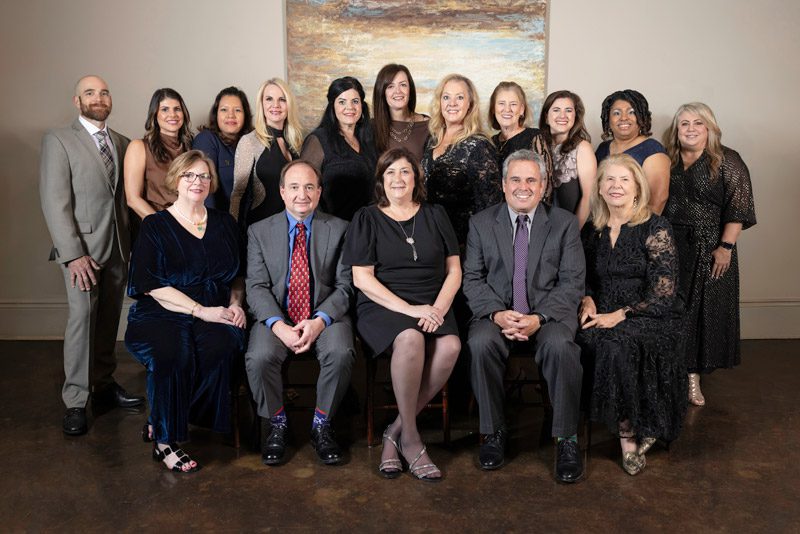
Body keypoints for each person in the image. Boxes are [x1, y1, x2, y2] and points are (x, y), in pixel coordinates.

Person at [463, 149, 585, 483]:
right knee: (479, 344)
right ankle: (493, 432)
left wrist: (539, 318)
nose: (523, 186)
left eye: (531, 179)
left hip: (548, 316)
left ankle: (566, 438)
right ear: (503, 185)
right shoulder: (482, 223)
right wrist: (498, 314)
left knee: (562, 347)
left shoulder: (563, 223)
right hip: (497, 315)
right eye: (515, 179)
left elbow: (573, 281)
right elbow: (472, 278)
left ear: (544, 186)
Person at [343, 148, 461, 481]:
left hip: (433, 301)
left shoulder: (436, 214)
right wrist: (410, 310)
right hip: (383, 304)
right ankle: (411, 438)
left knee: (451, 346)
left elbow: (454, 270)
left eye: (405, 172)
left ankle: (393, 431)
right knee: (410, 339)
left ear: (416, 178)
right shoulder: (366, 218)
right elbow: (361, 278)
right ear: (381, 180)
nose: (398, 179)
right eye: (390, 172)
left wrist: (438, 308)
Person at [125, 150, 246, 473]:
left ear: (212, 183)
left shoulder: (224, 223)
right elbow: (149, 283)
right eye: (189, 175)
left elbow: (238, 275)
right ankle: (165, 440)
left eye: (204, 176)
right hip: (162, 309)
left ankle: (162, 417)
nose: (197, 182)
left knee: (222, 348)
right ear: (176, 180)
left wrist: (235, 305)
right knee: (172, 356)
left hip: (216, 305)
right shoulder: (155, 225)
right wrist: (199, 310)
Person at [40, 74, 144, 436]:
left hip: (118, 248)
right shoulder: (59, 140)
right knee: (83, 319)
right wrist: (72, 255)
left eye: (103, 92)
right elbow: (55, 201)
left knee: (109, 318)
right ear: (76, 100)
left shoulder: (122, 142)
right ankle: (75, 400)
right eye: (89, 93)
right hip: (82, 252)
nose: (98, 98)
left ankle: (102, 383)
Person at [577, 154, 686, 476]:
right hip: (602, 310)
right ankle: (627, 423)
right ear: (599, 188)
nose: (616, 186)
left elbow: (664, 292)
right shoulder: (592, 230)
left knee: (615, 345)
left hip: (650, 313)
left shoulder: (655, 226)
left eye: (624, 179)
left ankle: (629, 436)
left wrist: (622, 314)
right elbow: (582, 276)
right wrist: (586, 299)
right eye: (609, 179)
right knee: (582, 339)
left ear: (637, 187)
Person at [245, 160, 355, 466]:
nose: (301, 194)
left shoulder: (341, 229)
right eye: (294, 187)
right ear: (281, 192)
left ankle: (322, 424)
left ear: (319, 192)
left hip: (324, 315)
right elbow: (255, 287)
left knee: (341, 352)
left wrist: (320, 322)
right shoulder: (258, 231)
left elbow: (346, 286)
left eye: (309, 187)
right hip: (277, 316)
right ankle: (277, 423)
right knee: (259, 357)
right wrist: (278, 325)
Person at [662, 103, 756, 406]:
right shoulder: (667, 160)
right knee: (673, 309)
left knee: (702, 313)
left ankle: (693, 378)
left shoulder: (727, 160)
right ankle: (670, 372)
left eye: (697, 123)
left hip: (710, 247)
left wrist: (725, 248)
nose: (690, 129)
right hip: (671, 244)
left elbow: (737, 208)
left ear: (709, 128)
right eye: (684, 123)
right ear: (676, 129)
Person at [421, 74, 501, 247]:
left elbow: (490, 208)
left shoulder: (479, 146)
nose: (452, 103)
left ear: (470, 104)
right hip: (431, 242)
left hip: (464, 246)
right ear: (440, 102)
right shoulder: (432, 141)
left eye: (460, 97)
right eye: (446, 97)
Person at [300, 76, 376, 221]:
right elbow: (305, 190)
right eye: (342, 102)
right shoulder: (318, 140)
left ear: (362, 105)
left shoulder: (368, 140)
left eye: (355, 101)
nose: (350, 107)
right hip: (332, 231)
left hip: (367, 228)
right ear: (332, 106)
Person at [230, 78, 302, 225]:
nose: (275, 105)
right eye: (269, 99)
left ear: (289, 104)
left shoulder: (296, 143)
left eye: (282, 99)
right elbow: (237, 194)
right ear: (261, 104)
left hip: (293, 227)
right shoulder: (249, 142)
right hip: (260, 227)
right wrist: (233, 232)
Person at [124, 88, 192, 242]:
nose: (172, 115)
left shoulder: (191, 148)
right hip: (157, 232)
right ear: (155, 115)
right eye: (165, 109)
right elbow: (133, 199)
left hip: (189, 229)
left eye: (177, 109)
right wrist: (167, 226)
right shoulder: (139, 147)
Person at [595, 89, 670, 214]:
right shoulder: (602, 149)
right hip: (603, 223)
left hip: (636, 226)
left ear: (641, 117)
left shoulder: (652, 150)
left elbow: (657, 201)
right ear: (608, 119)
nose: (624, 118)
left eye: (631, 112)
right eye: (616, 113)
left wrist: (632, 230)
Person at [539, 90, 596, 227]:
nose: (562, 115)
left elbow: (589, 197)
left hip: (573, 230)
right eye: (556, 110)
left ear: (575, 116)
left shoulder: (583, 148)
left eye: (568, 110)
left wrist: (572, 234)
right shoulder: (538, 145)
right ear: (546, 117)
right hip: (541, 230)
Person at [192, 86, 253, 212]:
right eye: (224, 110)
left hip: (248, 224)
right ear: (216, 114)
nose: (231, 115)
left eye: (237, 110)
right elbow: (204, 190)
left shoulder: (251, 143)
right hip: (218, 222)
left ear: (245, 115)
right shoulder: (206, 140)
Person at [488, 81, 552, 189]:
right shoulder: (490, 143)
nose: (507, 109)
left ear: (521, 109)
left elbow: (545, 185)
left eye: (513, 104)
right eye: (501, 103)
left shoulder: (535, 137)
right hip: (497, 206)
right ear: (493, 108)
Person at [372, 64, 430, 162]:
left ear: (410, 89)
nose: (398, 91)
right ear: (382, 92)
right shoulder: (371, 127)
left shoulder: (428, 126)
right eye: (390, 86)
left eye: (403, 85)